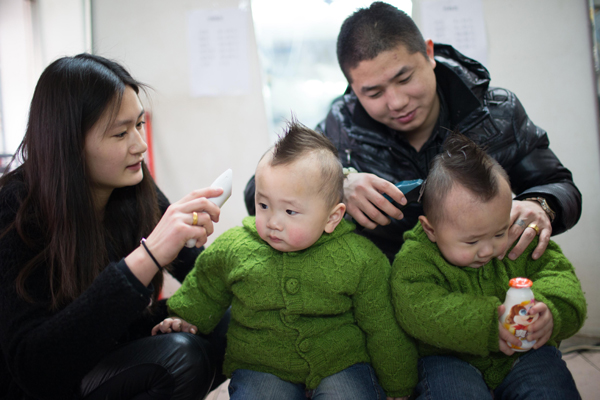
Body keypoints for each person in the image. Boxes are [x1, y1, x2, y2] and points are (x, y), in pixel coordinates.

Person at [244, 1, 582, 262]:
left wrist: (541, 205)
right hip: (386, 299)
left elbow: (561, 186)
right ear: (353, 87)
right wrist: (339, 184)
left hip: (485, 285)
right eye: (373, 93)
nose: (397, 102)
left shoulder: (496, 112)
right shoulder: (341, 125)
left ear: (429, 53)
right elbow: (256, 193)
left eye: (405, 79)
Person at [0, 54, 229, 399]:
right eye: (121, 133)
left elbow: (203, 279)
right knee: (181, 358)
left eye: (138, 125)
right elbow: (35, 367)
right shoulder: (16, 209)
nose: (140, 144)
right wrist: (147, 256)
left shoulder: (135, 185)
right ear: (69, 144)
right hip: (45, 384)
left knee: (235, 320)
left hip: (110, 356)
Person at [153, 121, 417, 400]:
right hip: (262, 365)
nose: (274, 222)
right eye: (264, 205)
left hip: (341, 362)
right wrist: (184, 317)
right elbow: (206, 286)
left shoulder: (361, 259)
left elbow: (382, 326)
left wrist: (399, 385)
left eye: (290, 211)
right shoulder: (235, 247)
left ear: (332, 217)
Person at [390, 133, 587, 399]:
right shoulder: (416, 259)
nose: (487, 250)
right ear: (431, 229)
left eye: (498, 233)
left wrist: (552, 312)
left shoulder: (519, 238)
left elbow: (561, 277)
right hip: (450, 357)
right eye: (471, 240)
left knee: (551, 389)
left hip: (525, 352)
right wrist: (487, 324)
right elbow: (416, 308)